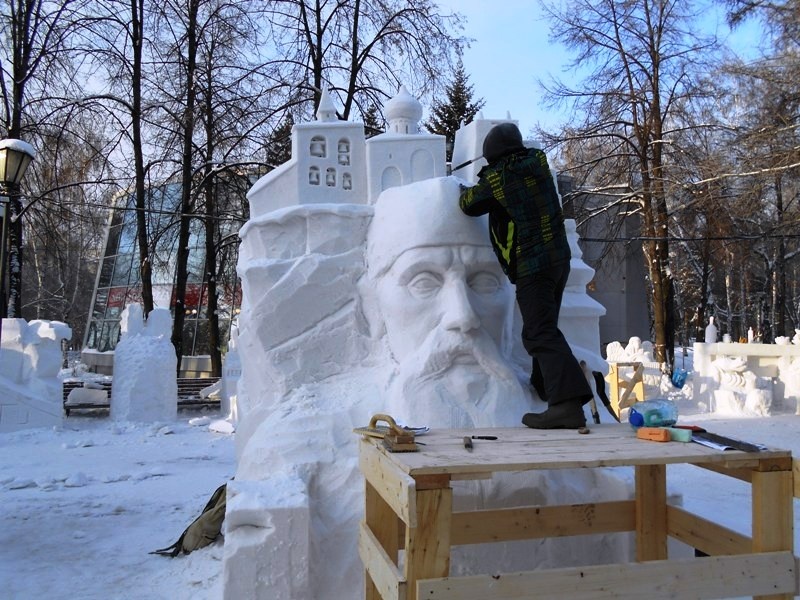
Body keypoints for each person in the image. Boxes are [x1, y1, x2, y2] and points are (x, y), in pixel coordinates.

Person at [459, 122, 593, 429]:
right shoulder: (536, 166)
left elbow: (468, 205)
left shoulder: (500, 176)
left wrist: (466, 187)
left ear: (492, 154)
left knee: (538, 332)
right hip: (558, 261)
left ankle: (567, 405)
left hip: (533, 264)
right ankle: (545, 387)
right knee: (545, 326)